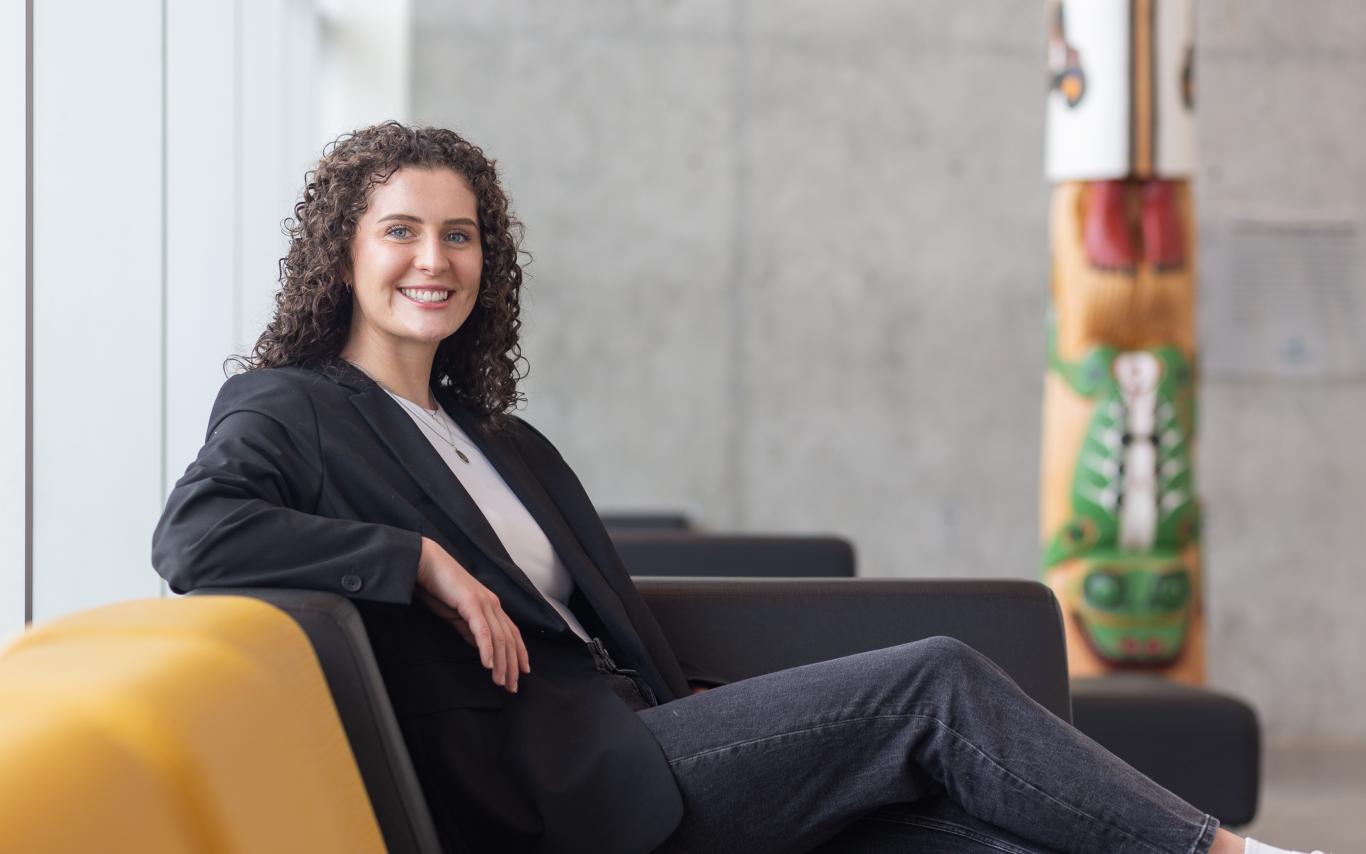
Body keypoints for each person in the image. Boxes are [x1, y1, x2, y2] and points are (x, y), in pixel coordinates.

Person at [152, 122, 1321, 854]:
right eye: (400, 230)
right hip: (553, 792)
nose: (433, 260)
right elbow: (196, 535)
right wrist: (415, 561)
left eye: (458, 236)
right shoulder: (292, 406)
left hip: (644, 737)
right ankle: (1222, 849)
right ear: (344, 254)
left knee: (976, 831)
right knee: (936, 682)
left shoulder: (499, 437)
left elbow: (594, 623)